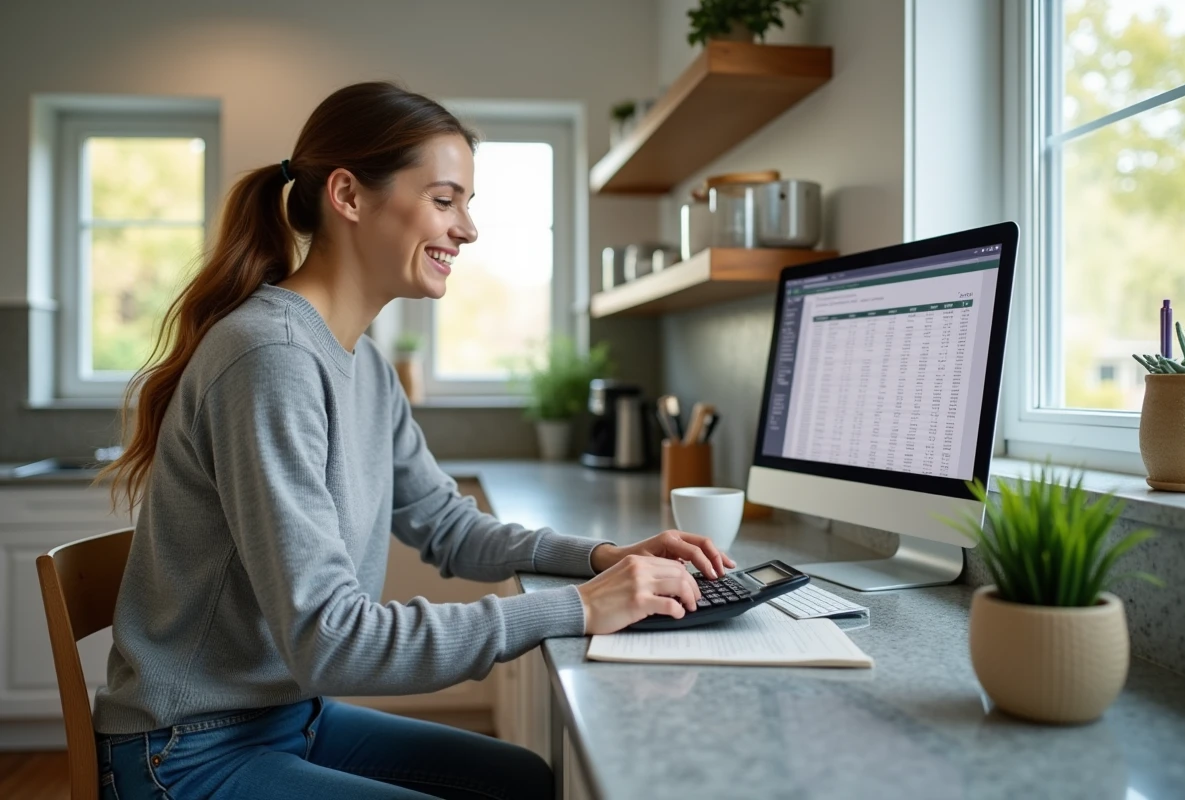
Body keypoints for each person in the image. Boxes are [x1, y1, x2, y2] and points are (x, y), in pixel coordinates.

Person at [92, 81, 734, 800]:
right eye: (444, 198)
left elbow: (447, 525)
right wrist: (581, 607)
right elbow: (332, 639)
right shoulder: (268, 357)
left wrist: (601, 558)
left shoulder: (361, 360)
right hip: (185, 752)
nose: (468, 229)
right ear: (349, 195)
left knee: (521, 782)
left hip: (285, 717)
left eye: (467, 203)